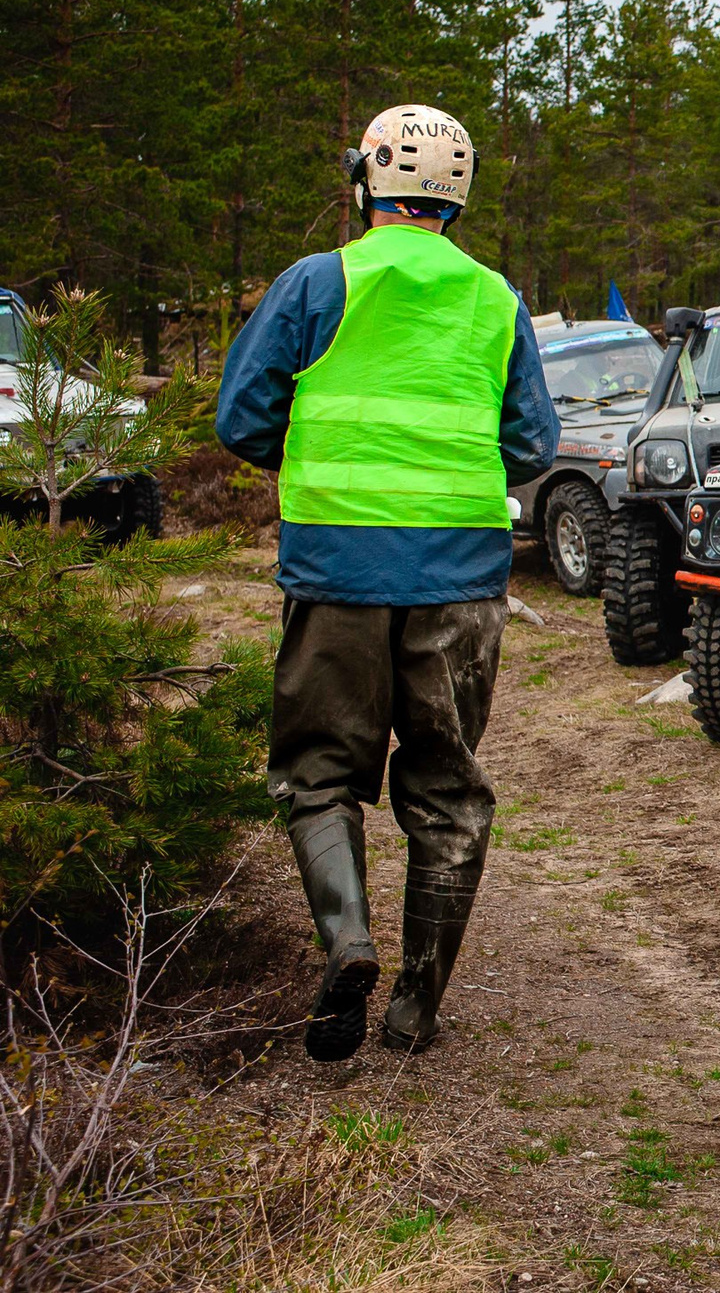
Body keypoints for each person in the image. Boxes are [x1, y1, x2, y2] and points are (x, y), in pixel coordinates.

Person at [216, 105, 559, 1062]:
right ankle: (417, 1005)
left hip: (337, 572)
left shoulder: (314, 282)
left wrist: (321, 462)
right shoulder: (496, 298)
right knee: (448, 785)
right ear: (458, 198)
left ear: (365, 181)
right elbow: (534, 443)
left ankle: (347, 940)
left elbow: (241, 420)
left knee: (320, 773)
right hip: (462, 580)